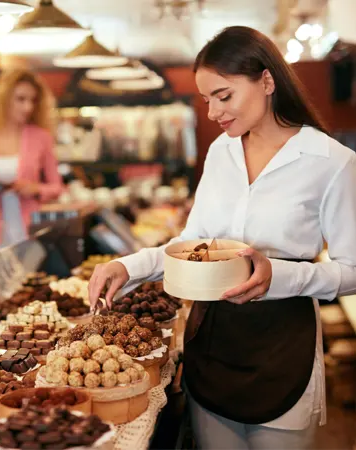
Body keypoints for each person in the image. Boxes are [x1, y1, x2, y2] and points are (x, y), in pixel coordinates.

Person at [88, 26, 356, 449]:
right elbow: (194, 242)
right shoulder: (221, 152)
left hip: (283, 348)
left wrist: (280, 277)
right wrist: (129, 266)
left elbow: (352, 271)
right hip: (211, 341)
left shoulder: (332, 162)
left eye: (224, 96)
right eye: (206, 99)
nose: (213, 112)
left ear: (267, 81)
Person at [0, 68, 64, 256]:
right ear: (3, 99)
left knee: (30, 284)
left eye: (33, 100)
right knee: (0, 285)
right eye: (21, 99)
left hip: (30, 231)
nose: (28, 107)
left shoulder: (41, 137)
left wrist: (34, 188)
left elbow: (56, 187)